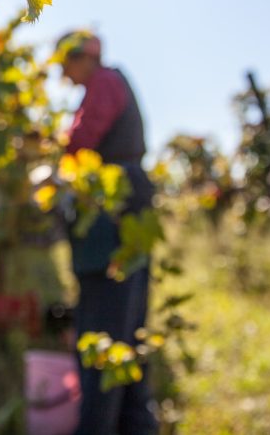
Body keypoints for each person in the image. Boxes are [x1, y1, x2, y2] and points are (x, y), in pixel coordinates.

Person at [50, 31, 158, 435]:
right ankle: (136, 426)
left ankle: (99, 427)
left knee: (103, 331)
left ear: (85, 58)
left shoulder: (106, 82)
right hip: (126, 215)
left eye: (68, 67)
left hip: (112, 219)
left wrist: (56, 164)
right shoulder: (108, 83)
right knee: (126, 329)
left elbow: (82, 143)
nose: (68, 77)